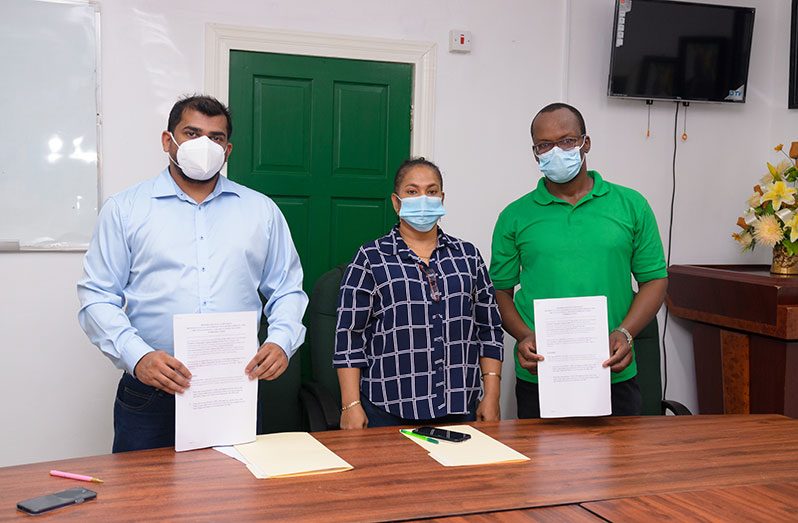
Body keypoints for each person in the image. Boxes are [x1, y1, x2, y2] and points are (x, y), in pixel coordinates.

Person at [77, 95, 308, 452]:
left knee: (232, 501)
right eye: (192, 133)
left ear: (227, 149)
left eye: (215, 138)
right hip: (151, 391)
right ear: (168, 141)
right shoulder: (125, 210)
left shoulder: (261, 211)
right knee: (141, 502)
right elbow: (96, 296)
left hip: (234, 388)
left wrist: (281, 339)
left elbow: (288, 289)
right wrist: (137, 356)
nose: (205, 145)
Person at [490, 102, 668, 418]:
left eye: (567, 140)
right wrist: (523, 335)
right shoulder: (514, 216)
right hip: (542, 375)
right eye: (545, 145)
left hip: (614, 371)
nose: (556, 150)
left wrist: (625, 333)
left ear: (586, 143)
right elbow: (499, 292)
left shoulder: (631, 206)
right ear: (535, 153)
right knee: (542, 467)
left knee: (622, 466)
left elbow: (654, 280)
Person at [334, 158, 504, 428]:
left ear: (442, 198)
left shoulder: (468, 256)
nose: (423, 199)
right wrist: (350, 405)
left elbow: (489, 328)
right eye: (412, 191)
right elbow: (349, 337)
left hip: (459, 406)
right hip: (387, 408)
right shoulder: (370, 258)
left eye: (432, 191)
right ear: (396, 201)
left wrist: (492, 395)